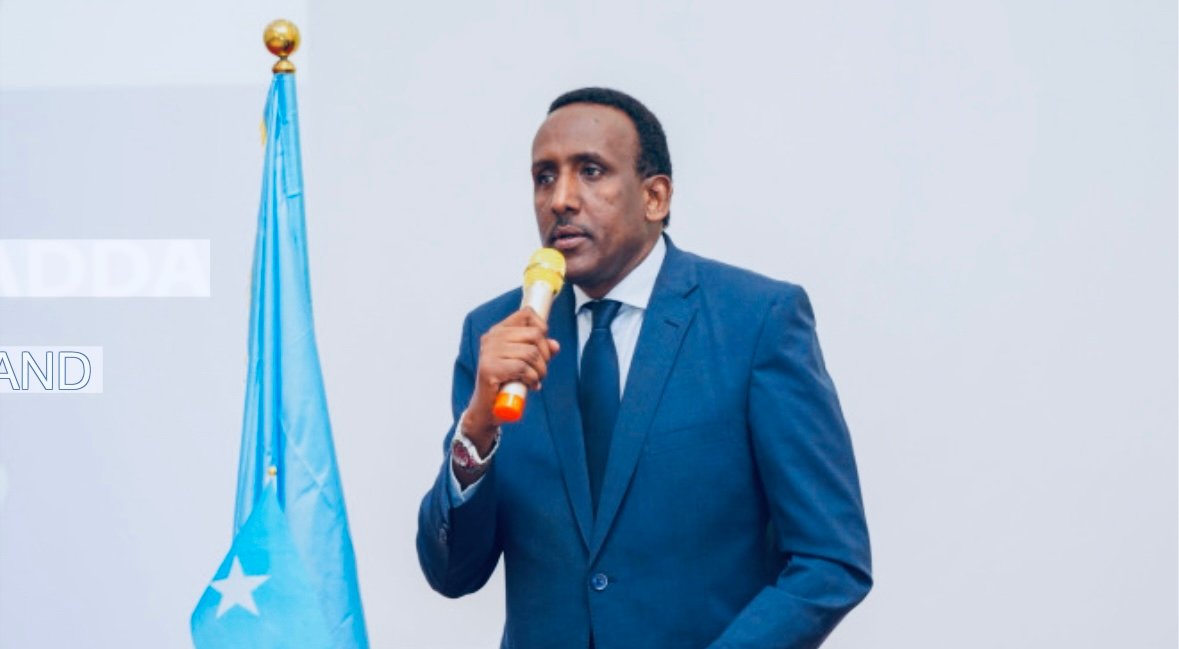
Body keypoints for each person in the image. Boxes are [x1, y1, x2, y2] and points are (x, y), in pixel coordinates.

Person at [417, 87, 871, 649]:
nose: (561, 199)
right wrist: (478, 427)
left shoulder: (756, 321)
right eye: (544, 177)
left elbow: (830, 559)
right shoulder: (496, 337)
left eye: (590, 171)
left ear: (655, 196)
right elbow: (452, 573)